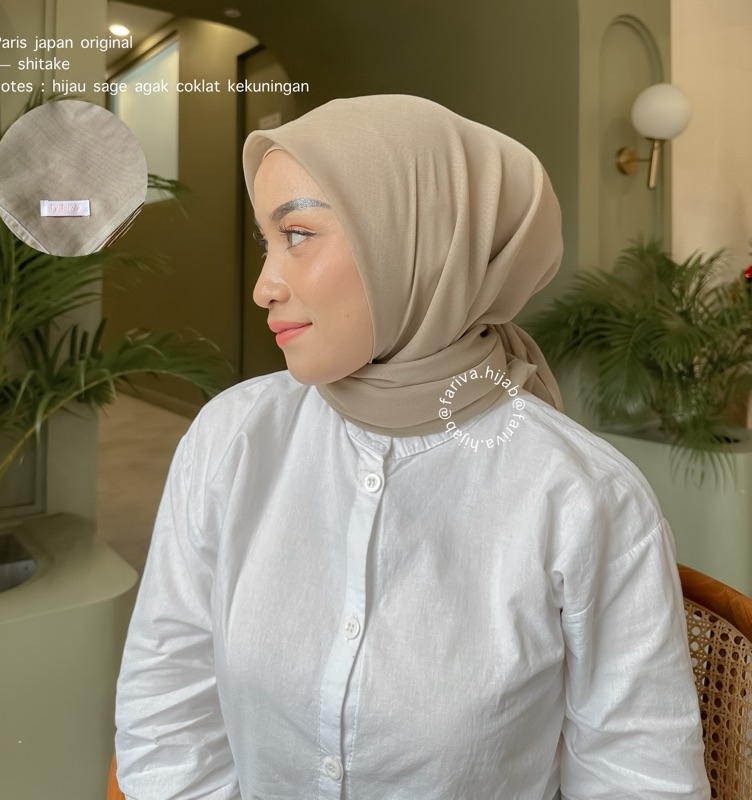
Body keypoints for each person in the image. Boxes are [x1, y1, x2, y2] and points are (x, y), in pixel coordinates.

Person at [114, 95, 709, 799]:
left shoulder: (584, 496)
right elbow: (168, 710)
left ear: (419, 244)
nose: (263, 287)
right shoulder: (232, 437)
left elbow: (637, 778)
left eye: (297, 233)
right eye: (266, 241)